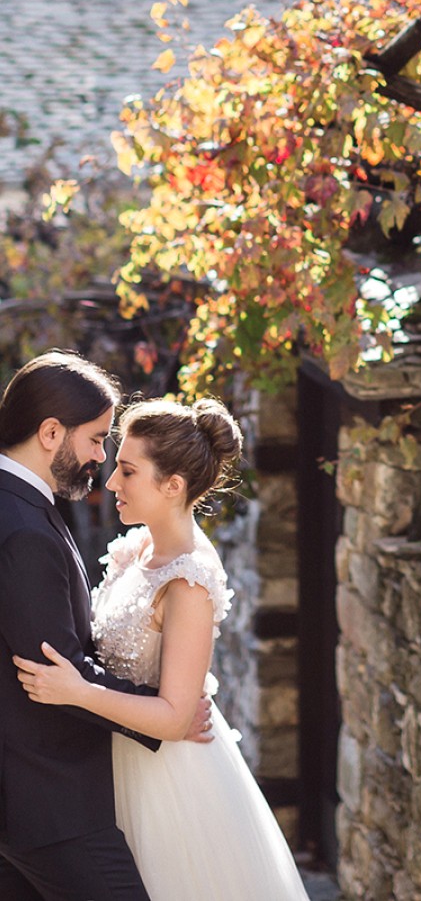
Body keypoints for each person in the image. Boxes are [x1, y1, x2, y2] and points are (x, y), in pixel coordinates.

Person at [14, 393, 310, 901]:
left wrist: (74, 690)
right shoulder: (138, 548)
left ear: (172, 486)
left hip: (170, 779)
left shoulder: (190, 580)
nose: (109, 483)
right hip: (114, 761)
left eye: (127, 471)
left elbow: (175, 718)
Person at [0, 349, 211, 901]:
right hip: (51, 803)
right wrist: (166, 714)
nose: (101, 458)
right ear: (51, 432)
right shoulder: (22, 526)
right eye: (95, 440)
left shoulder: (24, 506)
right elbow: (53, 673)